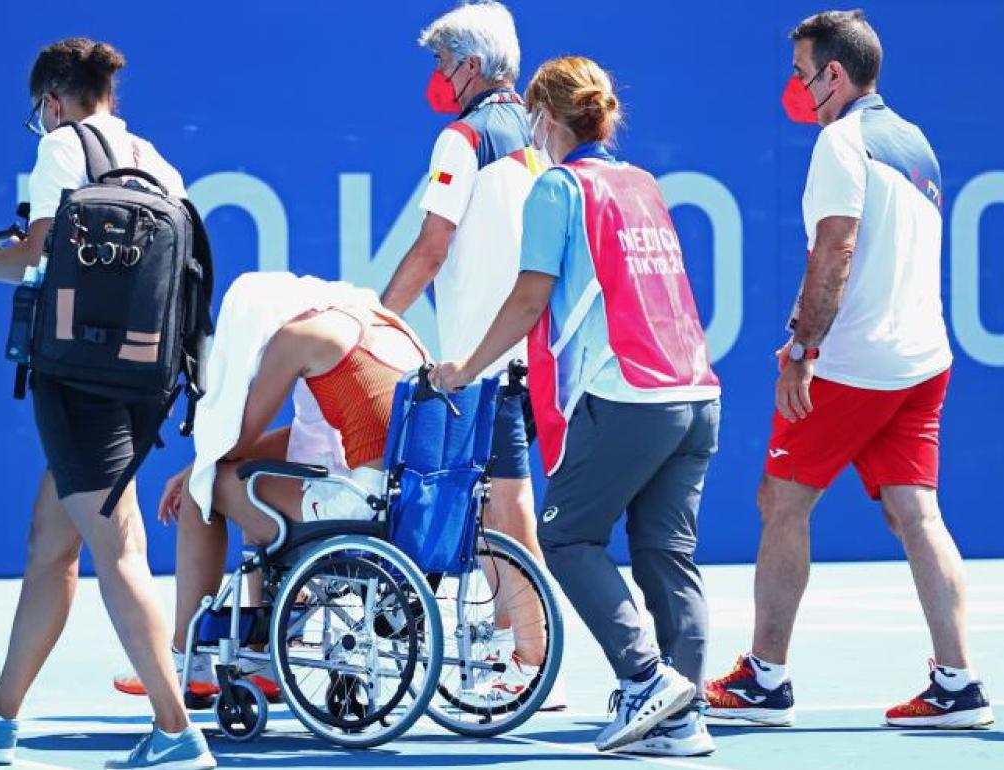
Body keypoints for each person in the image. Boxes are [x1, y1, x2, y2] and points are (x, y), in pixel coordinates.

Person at [0, 39, 217, 770]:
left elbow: (35, 254)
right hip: (146, 380)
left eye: (41, 111)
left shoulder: (60, 147)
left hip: (78, 377)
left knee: (118, 551)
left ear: (53, 103)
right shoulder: (159, 162)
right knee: (49, 543)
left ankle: (176, 730)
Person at [704, 9, 994, 731]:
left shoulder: (841, 141)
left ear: (834, 73)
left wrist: (803, 349)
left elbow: (834, 253)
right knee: (916, 513)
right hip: (922, 360)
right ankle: (958, 683)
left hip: (854, 364)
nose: (795, 85)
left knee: (782, 500)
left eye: (801, 72)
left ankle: (764, 678)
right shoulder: (915, 142)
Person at [431, 56, 722, 756]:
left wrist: (465, 366)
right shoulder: (642, 183)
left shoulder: (557, 188)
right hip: (696, 395)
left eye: (533, 115)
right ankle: (681, 716)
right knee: (666, 556)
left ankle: (648, 680)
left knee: (566, 538)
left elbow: (530, 298)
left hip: (628, 396)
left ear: (547, 118)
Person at [381, 0, 563, 707]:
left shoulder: (462, 138)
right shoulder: (539, 136)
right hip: (528, 357)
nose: (437, 76)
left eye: (441, 62)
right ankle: (518, 646)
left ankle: (532, 658)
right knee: (496, 511)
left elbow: (431, 251)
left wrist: (372, 317)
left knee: (507, 512)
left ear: (472, 65)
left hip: (483, 364)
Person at [159, 274, 429, 671]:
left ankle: (185, 659)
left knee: (206, 488)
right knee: (249, 480)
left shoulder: (297, 336)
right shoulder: (383, 324)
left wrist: (194, 470)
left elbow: (236, 437)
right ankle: (266, 652)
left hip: (361, 514)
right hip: (411, 507)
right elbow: (321, 440)